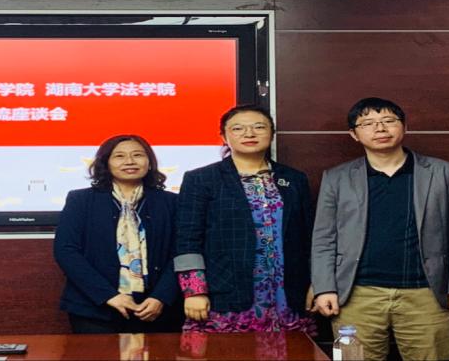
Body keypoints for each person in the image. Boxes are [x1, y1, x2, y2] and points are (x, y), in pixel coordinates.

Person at [311, 97, 449, 361]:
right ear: (354, 134)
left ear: (405, 127)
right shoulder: (337, 177)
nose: (380, 128)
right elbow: (323, 238)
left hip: (425, 294)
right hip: (356, 295)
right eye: (368, 123)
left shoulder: (443, 173)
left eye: (388, 120)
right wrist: (324, 287)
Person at [174, 104, 315, 333]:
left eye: (259, 127)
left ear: (271, 133)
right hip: (226, 292)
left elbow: (308, 237)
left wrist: (315, 283)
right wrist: (194, 291)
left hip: (287, 294)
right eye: (238, 128)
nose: (249, 134)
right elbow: (187, 239)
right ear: (224, 136)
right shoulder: (201, 179)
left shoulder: (294, 179)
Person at [54, 134, 182, 333]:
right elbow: (66, 251)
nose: (129, 161)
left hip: (156, 309)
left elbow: (181, 252)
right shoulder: (81, 200)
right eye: (119, 156)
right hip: (95, 309)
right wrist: (108, 295)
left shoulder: (171, 202)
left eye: (137, 155)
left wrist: (161, 297)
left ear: (149, 162)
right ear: (106, 163)